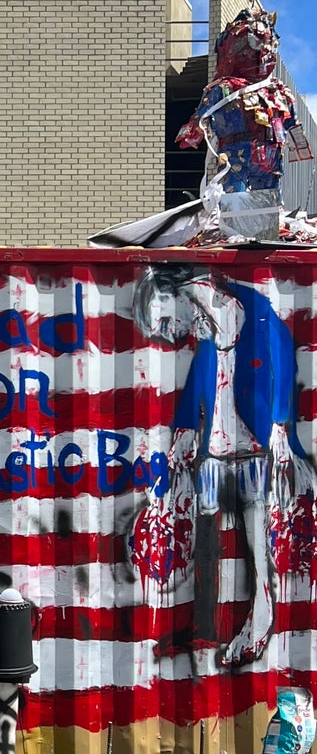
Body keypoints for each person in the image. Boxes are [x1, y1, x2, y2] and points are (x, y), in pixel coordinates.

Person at [133, 265, 311, 665]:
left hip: (254, 452)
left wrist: (280, 426)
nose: (170, 333)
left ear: (174, 294)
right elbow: (199, 378)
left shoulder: (252, 311)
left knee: (256, 540)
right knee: (206, 538)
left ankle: (261, 618)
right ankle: (204, 629)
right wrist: (182, 432)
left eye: (165, 321)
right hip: (214, 452)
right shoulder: (207, 330)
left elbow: (280, 360)